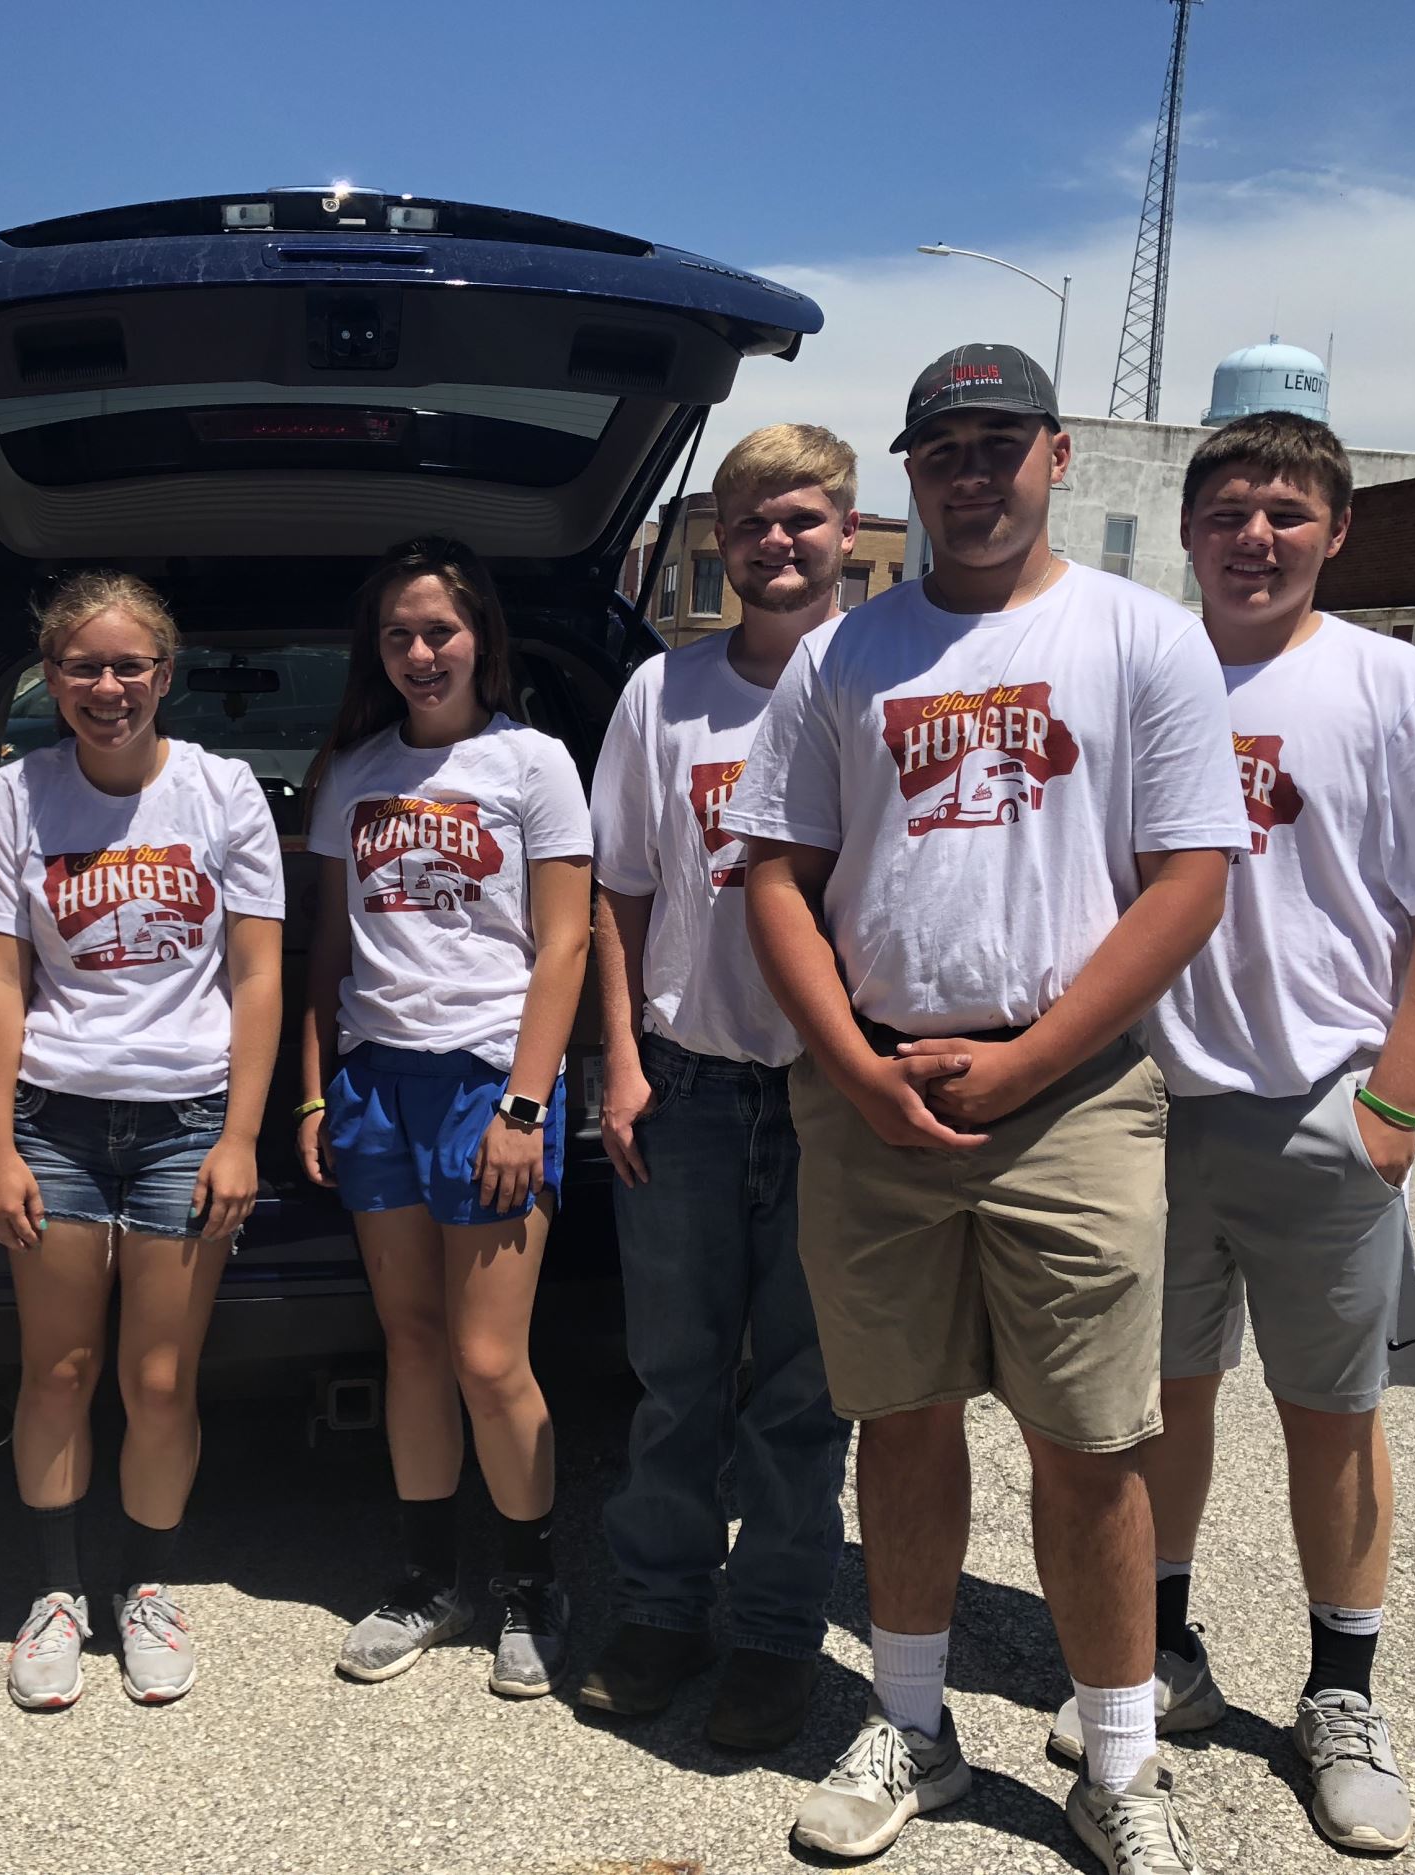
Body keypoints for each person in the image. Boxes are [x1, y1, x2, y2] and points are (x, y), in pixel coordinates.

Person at [728, 345, 1249, 1875]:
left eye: (998, 443)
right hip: (874, 1086)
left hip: (1070, 1091)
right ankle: (915, 1723)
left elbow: (1190, 882)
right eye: (942, 447)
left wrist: (1032, 1062)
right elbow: (773, 871)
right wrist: (848, 1061)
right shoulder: (845, 656)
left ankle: (1121, 1757)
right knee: (898, 1417)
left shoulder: (1143, 640)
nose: (971, 472)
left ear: (1057, 455)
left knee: (1090, 1439)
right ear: (912, 469)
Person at [1043, 413, 1415, 1855]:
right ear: (1189, 531)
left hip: (1323, 1105)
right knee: (1157, 1405)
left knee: (1333, 1417)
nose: (1257, 536)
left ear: (1336, 531)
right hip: (1149, 1105)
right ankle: (1170, 1651)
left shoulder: (1388, 685)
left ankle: (1342, 1688)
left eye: (1287, 513)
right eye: (1231, 511)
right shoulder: (1143, 677)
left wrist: (1394, 1100)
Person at [0, 571, 284, 1710]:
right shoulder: (19, 794)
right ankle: (54, 1594)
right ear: (51, 677)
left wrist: (242, 1133)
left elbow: (257, 970)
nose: (107, 687)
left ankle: (145, 1587)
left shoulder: (223, 790)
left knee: (158, 1377)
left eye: (129, 666)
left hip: (185, 1121)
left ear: (165, 673)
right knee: (57, 1366)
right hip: (54, 1116)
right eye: (83, 667)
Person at [576, 427, 856, 1750]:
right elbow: (617, 888)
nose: (777, 542)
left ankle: (772, 1637)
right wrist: (617, 1059)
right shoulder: (664, 695)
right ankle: (661, 1608)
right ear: (720, 542)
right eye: (751, 521)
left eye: (801, 517)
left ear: (846, 530)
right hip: (682, 1081)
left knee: (803, 1394)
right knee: (677, 1375)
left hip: (829, 1090)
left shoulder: (877, 678)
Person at [296, 538, 593, 1699]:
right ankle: (429, 1579)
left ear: (482, 641)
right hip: (377, 1078)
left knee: (487, 1355)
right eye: (398, 637)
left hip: (488, 1079)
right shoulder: (354, 771)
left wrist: (525, 1102)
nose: (420, 655)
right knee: (411, 1345)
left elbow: (564, 940)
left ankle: (531, 1586)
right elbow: (330, 946)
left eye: (440, 633)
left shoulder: (532, 764)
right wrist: (316, 1089)